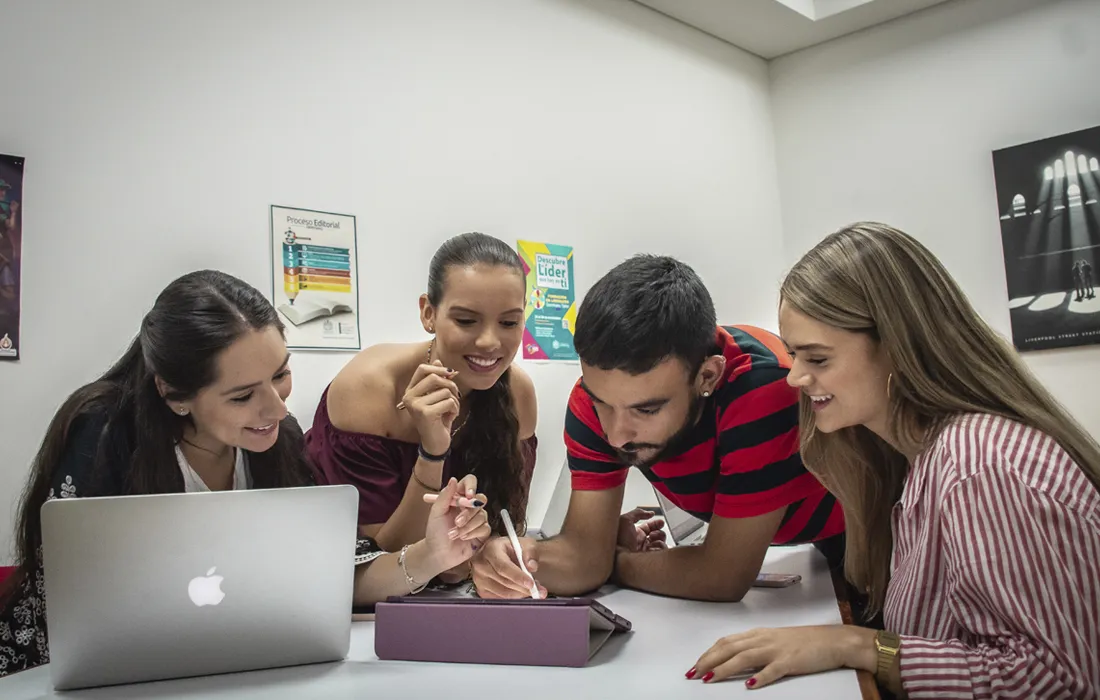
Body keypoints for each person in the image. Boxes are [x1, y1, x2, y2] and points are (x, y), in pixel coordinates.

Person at [0, 270, 490, 677]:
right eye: (242, 396)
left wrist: (431, 554)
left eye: (281, 374)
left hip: (240, 672)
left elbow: (339, 574)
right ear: (173, 394)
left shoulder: (279, 441)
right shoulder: (104, 433)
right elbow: (71, 611)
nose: (277, 409)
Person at [688, 223, 1100, 698]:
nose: (794, 377)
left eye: (817, 359)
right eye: (794, 354)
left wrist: (859, 646)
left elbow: (1058, 681)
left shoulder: (981, 468)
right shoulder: (913, 457)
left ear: (898, 350)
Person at [472, 255, 844, 602]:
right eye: (603, 404)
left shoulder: (764, 390)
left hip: (856, 536)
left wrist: (612, 561)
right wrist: (515, 557)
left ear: (707, 376)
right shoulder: (589, 402)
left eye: (647, 409)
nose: (616, 436)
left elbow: (723, 576)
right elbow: (582, 557)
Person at [305, 232, 538, 581]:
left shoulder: (518, 393)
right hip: (341, 583)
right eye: (466, 320)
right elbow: (382, 562)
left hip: (455, 591)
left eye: (509, 322)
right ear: (429, 313)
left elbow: (505, 530)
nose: (490, 342)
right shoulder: (368, 388)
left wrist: (484, 559)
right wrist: (432, 454)